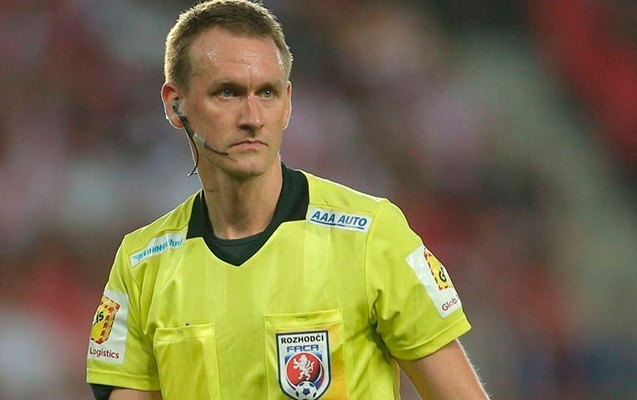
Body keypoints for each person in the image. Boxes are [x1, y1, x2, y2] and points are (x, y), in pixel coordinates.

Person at [86, 1, 490, 399]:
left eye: (267, 92)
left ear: (288, 103)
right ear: (175, 104)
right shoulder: (141, 265)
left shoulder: (370, 236)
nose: (252, 117)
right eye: (227, 92)